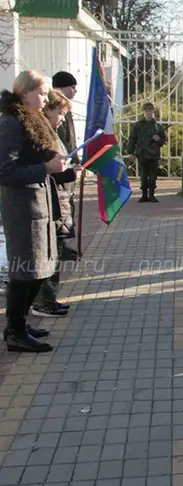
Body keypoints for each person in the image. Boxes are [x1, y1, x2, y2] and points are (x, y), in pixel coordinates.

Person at [0, 71, 76, 352]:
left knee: (40, 270)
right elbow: (6, 171)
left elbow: (39, 160)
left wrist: (58, 166)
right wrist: (46, 168)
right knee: (24, 272)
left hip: (39, 205)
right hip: (22, 209)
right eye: (42, 93)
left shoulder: (31, 120)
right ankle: (15, 332)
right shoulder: (11, 123)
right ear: (24, 93)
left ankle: (19, 323)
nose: (46, 98)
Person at [32, 89, 82, 318]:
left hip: (60, 200)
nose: (62, 118)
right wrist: (70, 173)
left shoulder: (52, 133)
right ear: (49, 110)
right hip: (52, 201)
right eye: (60, 113)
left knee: (57, 253)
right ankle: (44, 301)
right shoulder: (43, 136)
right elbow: (48, 172)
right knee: (50, 255)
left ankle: (49, 298)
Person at [51, 71, 79, 259]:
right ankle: (59, 246)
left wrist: (75, 159)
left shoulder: (65, 110)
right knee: (60, 208)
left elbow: (69, 140)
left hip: (67, 164)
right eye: (72, 87)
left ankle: (63, 243)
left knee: (67, 204)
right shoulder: (53, 111)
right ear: (60, 88)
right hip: (58, 167)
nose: (75, 91)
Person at [126, 102, 166, 203]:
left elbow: (163, 141)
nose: (148, 112)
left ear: (153, 111)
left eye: (150, 110)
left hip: (154, 154)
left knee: (153, 175)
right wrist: (130, 152)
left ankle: (152, 194)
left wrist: (158, 139)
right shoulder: (138, 126)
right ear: (143, 112)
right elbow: (132, 139)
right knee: (143, 174)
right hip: (142, 154)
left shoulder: (158, 127)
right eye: (146, 110)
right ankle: (144, 194)